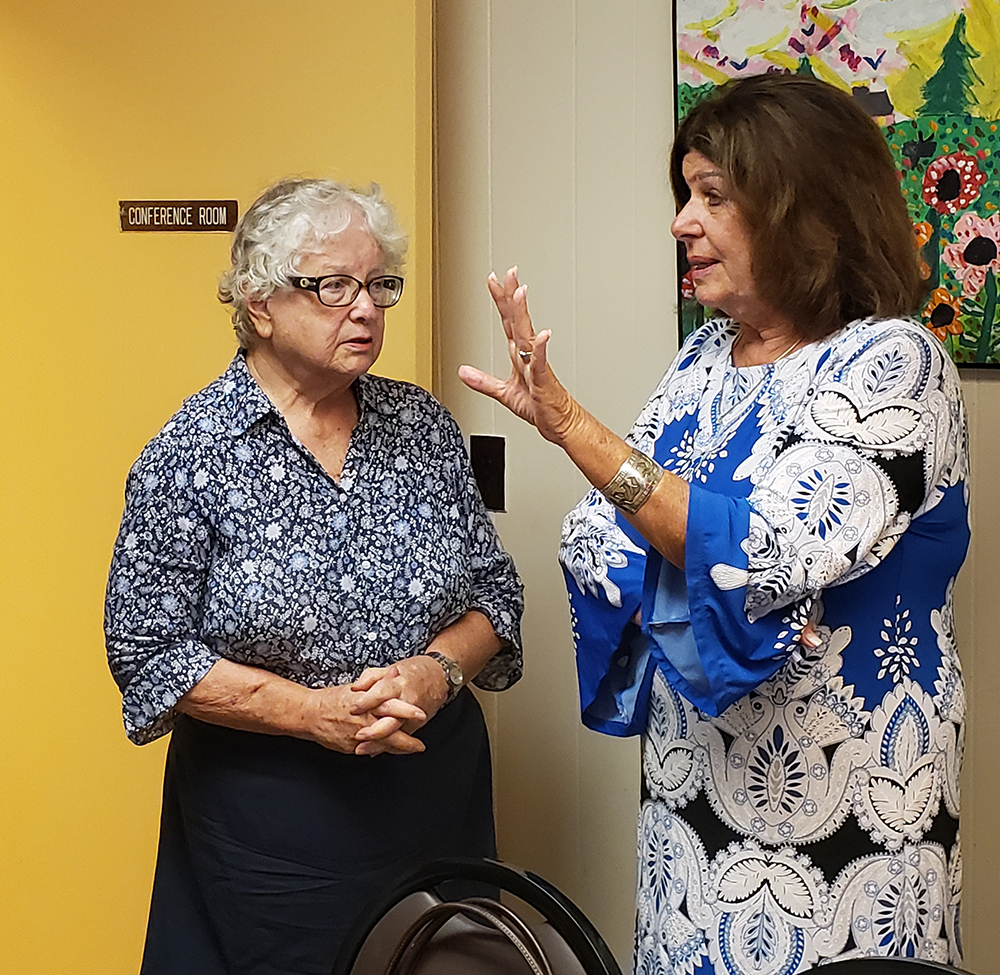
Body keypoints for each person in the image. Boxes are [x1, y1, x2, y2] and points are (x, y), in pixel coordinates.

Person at [460, 74, 968, 973]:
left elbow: (773, 548)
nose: (680, 222)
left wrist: (585, 438)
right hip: (692, 801)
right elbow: (595, 535)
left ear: (803, 210)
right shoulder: (700, 360)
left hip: (848, 802)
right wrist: (706, 553)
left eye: (712, 197)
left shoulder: (894, 360)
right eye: (683, 195)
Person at [105, 178, 523, 975]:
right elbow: (148, 653)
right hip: (271, 832)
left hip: (434, 799)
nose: (365, 309)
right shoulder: (191, 452)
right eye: (333, 286)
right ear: (260, 302)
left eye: (377, 286)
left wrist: (436, 672)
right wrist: (312, 713)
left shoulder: (423, 426)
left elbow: (495, 595)